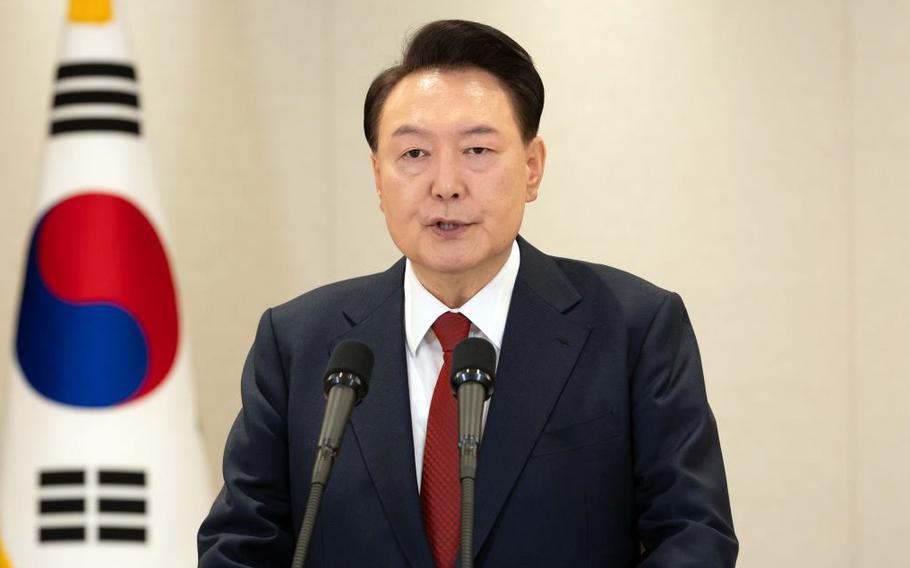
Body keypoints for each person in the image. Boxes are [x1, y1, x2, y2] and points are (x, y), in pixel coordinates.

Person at [198, 19, 738, 567]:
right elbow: (241, 543)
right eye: (413, 155)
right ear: (377, 179)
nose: (447, 184)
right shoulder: (298, 344)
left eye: (477, 149)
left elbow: (693, 537)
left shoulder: (634, 329)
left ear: (532, 168)